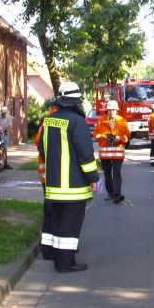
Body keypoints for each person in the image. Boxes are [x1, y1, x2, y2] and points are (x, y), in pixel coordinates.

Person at [38, 81, 99, 273]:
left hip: (52, 184)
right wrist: (93, 178)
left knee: (53, 219)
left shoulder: (48, 120)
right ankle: (65, 262)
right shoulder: (77, 122)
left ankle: (49, 251)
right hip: (72, 186)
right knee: (69, 224)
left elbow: (42, 148)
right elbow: (85, 155)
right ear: (76, 101)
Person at [93, 100, 130, 204]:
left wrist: (120, 139)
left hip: (118, 153)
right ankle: (110, 193)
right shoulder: (101, 121)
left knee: (117, 173)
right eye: (109, 110)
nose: (111, 112)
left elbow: (127, 135)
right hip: (105, 154)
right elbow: (95, 134)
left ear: (117, 110)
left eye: (113, 110)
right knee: (107, 175)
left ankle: (117, 194)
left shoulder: (122, 121)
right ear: (107, 111)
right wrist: (101, 137)